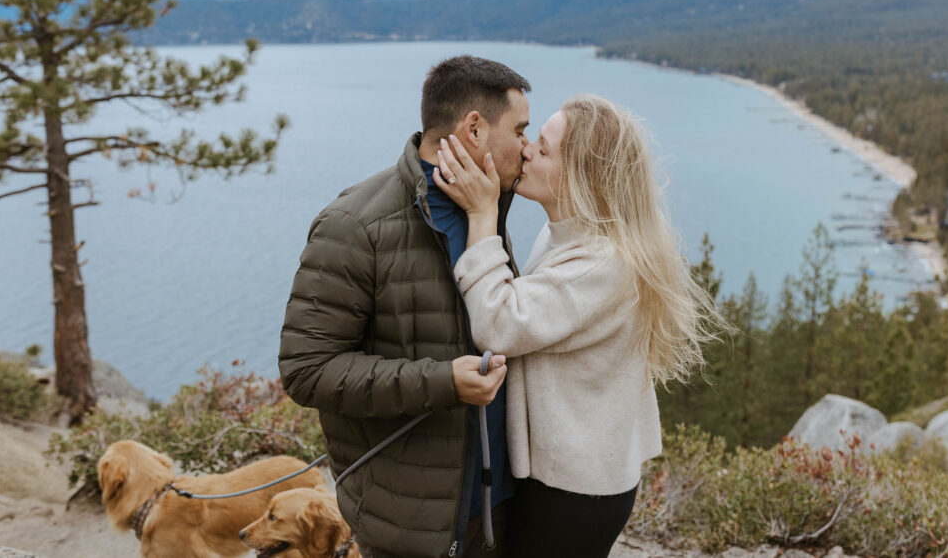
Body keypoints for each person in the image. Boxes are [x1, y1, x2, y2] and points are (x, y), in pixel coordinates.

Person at [433, 94, 725, 558]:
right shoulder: (571, 233)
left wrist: (481, 217)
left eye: (544, 150)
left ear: (582, 178)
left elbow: (501, 324)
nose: (527, 150)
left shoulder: (602, 262)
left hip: (574, 493)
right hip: (570, 478)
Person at [278, 55, 532, 557]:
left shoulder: (489, 210)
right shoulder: (354, 225)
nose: (528, 147)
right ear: (474, 128)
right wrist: (443, 382)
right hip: (410, 525)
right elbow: (306, 370)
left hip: (498, 509)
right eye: (520, 130)